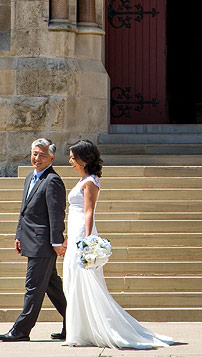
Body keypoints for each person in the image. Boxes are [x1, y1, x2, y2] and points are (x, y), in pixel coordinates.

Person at [63, 139, 178, 349]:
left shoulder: (90, 182)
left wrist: (88, 240)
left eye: (72, 157)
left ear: (83, 158)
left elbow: (89, 211)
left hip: (82, 231)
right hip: (74, 232)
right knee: (72, 281)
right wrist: (68, 237)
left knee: (83, 280)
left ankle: (92, 331)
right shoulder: (83, 180)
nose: (70, 161)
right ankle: (82, 330)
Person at [0, 138, 68, 342]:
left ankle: (21, 329)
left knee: (34, 286)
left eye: (42, 155)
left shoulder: (52, 181)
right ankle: (75, 322)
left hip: (43, 244)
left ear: (52, 158)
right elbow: (24, 211)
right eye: (35, 153)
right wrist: (19, 235)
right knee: (52, 286)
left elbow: (56, 214)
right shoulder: (31, 177)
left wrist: (56, 242)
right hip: (30, 239)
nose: (37, 158)